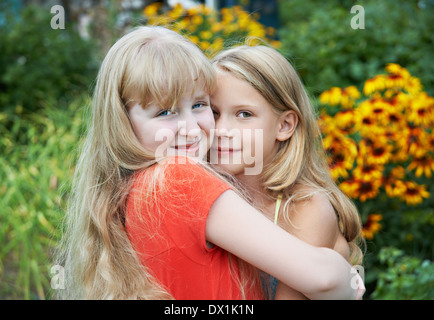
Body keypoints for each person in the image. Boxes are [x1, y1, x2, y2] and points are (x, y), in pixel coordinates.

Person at [56, 26, 364, 300]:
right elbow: (323, 279)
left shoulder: (302, 207)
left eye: (199, 105)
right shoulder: (179, 177)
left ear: (285, 125)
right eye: (165, 112)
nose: (198, 127)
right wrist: (343, 278)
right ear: (122, 121)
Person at [210, 45, 365, 299]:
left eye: (244, 114)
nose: (221, 129)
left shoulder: (304, 208)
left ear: (284, 125)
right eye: (213, 112)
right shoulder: (208, 191)